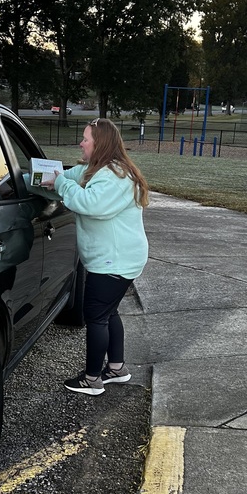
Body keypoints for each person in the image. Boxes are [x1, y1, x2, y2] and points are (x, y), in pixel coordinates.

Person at [48, 118, 149, 395]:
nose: (80, 143)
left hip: (113, 261)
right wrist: (33, 177)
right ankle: (116, 368)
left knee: (95, 316)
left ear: (99, 144)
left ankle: (92, 379)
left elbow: (90, 204)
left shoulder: (114, 177)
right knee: (108, 312)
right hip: (119, 259)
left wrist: (60, 186)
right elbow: (70, 175)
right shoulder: (99, 170)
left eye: (85, 139)